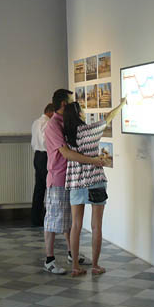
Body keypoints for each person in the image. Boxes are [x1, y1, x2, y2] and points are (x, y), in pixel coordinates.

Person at [43, 89, 105, 275]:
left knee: (70, 222)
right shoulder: (53, 125)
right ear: (64, 104)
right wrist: (94, 161)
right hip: (58, 178)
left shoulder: (67, 122)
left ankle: (73, 255)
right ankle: (49, 259)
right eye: (72, 101)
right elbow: (66, 153)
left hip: (72, 179)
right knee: (54, 220)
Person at [63, 97, 126, 276]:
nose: (84, 112)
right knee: (96, 226)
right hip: (95, 181)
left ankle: (75, 266)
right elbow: (109, 117)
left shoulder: (66, 135)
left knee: (76, 225)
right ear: (78, 114)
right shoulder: (90, 130)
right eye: (82, 110)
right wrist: (122, 104)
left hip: (75, 183)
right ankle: (96, 265)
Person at [30, 103, 54, 227]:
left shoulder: (36, 122)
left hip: (37, 156)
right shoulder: (48, 123)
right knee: (49, 187)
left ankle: (36, 218)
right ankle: (49, 217)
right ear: (51, 112)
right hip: (45, 156)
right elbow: (46, 141)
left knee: (39, 188)